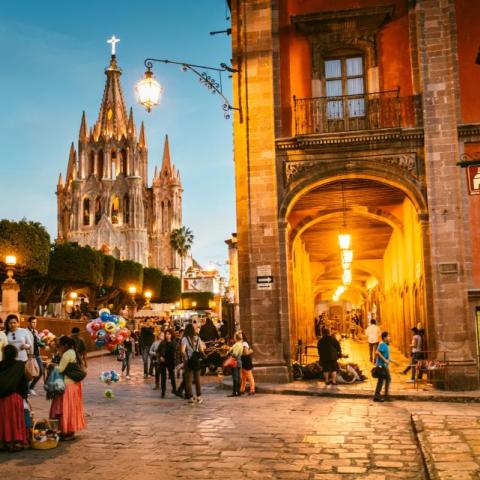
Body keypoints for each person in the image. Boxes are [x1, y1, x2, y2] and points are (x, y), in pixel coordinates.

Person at [49, 336, 86, 440]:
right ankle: (70, 430)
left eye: (60, 345)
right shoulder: (73, 352)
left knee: (66, 408)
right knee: (72, 408)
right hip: (74, 385)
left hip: (68, 384)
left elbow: (60, 369)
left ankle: (66, 431)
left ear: (65, 345)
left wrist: (52, 365)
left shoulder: (66, 354)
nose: (58, 346)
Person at [0, 345, 29, 451]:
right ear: (16, 354)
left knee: (4, 420)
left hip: (2, 398)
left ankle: (4, 442)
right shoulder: (20, 365)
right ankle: (16, 442)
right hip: (15, 396)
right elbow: (25, 381)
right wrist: (25, 396)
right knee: (15, 419)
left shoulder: (0, 365)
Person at [181, 323, 205, 404]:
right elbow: (201, 350)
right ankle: (199, 397)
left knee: (189, 380)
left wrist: (185, 358)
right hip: (196, 361)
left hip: (188, 361)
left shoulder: (184, 339)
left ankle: (191, 397)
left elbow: (182, 351)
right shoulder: (198, 338)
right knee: (197, 379)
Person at [373, 331, 399, 402]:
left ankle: (377, 396)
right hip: (382, 366)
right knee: (387, 379)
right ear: (384, 338)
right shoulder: (382, 344)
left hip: (384, 366)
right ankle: (385, 396)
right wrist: (384, 360)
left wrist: (394, 362)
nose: (390, 338)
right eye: (388, 336)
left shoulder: (386, 345)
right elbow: (377, 352)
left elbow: (387, 357)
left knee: (382, 380)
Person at [157, 329, 177, 398]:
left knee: (172, 376)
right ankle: (163, 392)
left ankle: (174, 389)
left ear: (172, 335)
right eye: (166, 334)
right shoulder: (162, 343)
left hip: (171, 361)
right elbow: (158, 351)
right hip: (163, 362)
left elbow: (176, 353)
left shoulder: (174, 343)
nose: (167, 335)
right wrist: (160, 357)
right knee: (163, 377)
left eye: (169, 334)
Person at [27, 316, 44, 395]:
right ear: (29, 323)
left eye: (35, 322)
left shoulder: (36, 332)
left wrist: (42, 343)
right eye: (33, 322)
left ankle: (31, 387)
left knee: (41, 371)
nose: (34, 324)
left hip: (37, 354)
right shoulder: (25, 332)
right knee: (29, 372)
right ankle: (27, 389)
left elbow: (39, 342)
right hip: (30, 355)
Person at [228, 332, 244, 397]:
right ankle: (238, 391)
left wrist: (230, 354)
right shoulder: (240, 344)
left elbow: (235, 354)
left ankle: (235, 392)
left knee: (235, 377)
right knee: (238, 376)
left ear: (235, 338)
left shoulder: (237, 345)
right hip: (239, 361)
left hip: (235, 361)